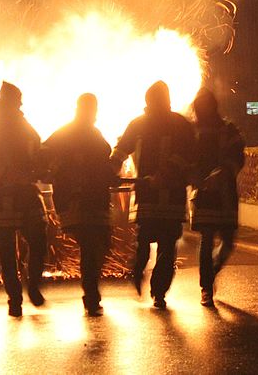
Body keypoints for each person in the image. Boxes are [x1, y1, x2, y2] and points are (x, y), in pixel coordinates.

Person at [110, 80, 196, 309]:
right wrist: (111, 168)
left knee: (166, 247)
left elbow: (189, 155)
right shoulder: (141, 124)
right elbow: (120, 150)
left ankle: (158, 291)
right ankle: (139, 272)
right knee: (147, 243)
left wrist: (166, 173)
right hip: (149, 197)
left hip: (169, 195)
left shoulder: (179, 125)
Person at [0, 81, 48, 317]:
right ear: (8, 101)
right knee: (7, 252)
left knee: (39, 237)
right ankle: (14, 299)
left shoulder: (22, 123)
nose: (21, 105)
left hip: (24, 193)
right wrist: (8, 174)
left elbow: (37, 149)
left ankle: (33, 284)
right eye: (18, 101)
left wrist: (42, 166)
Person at [44, 93, 118, 317]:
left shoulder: (87, 134)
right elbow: (43, 155)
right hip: (78, 200)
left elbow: (102, 164)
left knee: (100, 245)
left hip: (92, 199)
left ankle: (91, 294)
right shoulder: (69, 134)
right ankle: (91, 297)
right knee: (91, 246)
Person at [190, 87, 245, 308]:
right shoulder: (192, 132)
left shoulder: (228, 130)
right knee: (206, 238)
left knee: (228, 242)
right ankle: (206, 288)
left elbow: (237, 157)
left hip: (226, 194)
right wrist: (195, 177)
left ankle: (211, 271)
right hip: (203, 193)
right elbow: (187, 158)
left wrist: (222, 173)